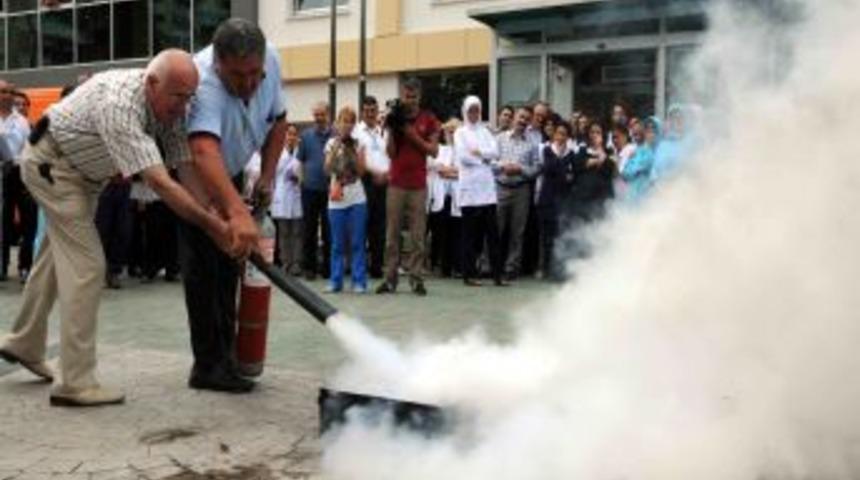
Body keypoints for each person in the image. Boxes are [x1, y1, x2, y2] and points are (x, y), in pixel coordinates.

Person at [0, 50, 236, 407]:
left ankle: (24, 341)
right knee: (88, 266)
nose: (184, 106)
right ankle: (75, 382)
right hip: (54, 167)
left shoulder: (170, 105)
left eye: (190, 97)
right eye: (178, 97)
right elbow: (161, 182)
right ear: (152, 83)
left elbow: (183, 166)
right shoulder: (120, 103)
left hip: (83, 176)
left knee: (53, 258)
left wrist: (214, 211)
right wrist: (212, 225)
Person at [181, 18, 287, 394]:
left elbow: (278, 120)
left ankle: (228, 356)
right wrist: (237, 213)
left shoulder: (271, 61)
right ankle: (208, 365)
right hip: (194, 172)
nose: (248, 84)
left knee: (230, 264)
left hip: (235, 168)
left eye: (254, 74)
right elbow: (202, 150)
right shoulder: (201, 81)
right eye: (237, 76)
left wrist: (268, 175)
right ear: (219, 64)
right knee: (204, 267)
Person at [376, 78, 439, 296]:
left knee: (418, 236)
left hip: (418, 185)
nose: (409, 100)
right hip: (396, 184)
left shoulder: (429, 118)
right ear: (401, 95)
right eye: (406, 96)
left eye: (413, 96)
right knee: (391, 234)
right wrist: (394, 130)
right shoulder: (395, 118)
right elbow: (391, 153)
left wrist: (412, 135)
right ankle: (390, 279)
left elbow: (434, 151)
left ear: (419, 96)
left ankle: (416, 279)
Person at [455, 96, 506, 287]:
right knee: (469, 235)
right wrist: (484, 159)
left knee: (492, 233)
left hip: (487, 189)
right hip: (469, 190)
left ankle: (497, 275)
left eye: (477, 110)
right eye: (471, 110)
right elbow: (463, 157)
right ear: (465, 112)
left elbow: (495, 152)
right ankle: (469, 274)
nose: (474, 114)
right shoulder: (460, 132)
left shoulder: (485, 131)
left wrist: (480, 154)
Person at [324, 106, 368, 294]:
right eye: (344, 120)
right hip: (336, 200)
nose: (347, 125)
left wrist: (351, 149)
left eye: (351, 121)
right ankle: (336, 281)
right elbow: (327, 169)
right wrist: (338, 147)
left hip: (357, 199)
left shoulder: (359, 143)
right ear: (337, 123)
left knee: (358, 242)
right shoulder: (330, 143)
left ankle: (359, 282)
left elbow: (361, 171)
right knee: (337, 244)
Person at [495, 106, 540, 281]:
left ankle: (511, 267)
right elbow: (490, 161)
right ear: (513, 118)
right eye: (521, 117)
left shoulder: (532, 144)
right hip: (500, 187)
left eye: (526, 119)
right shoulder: (499, 139)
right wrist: (503, 167)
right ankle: (490, 264)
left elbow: (536, 168)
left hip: (521, 190)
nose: (522, 121)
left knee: (517, 232)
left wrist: (520, 169)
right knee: (495, 229)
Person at [0, 79, 33, 282]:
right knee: (2, 223)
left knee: (28, 223)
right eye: (3, 91)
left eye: (10, 92)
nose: (8, 95)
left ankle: (25, 266)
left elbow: (29, 151)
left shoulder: (21, 121)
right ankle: (2, 267)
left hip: (19, 174)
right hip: (0, 175)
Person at [353, 96, 388, 279]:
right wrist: (373, 173)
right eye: (367, 110)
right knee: (362, 225)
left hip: (384, 183)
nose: (370, 114)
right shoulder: (357, 132)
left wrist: (386, 174)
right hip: (365, 181)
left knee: (380, 227)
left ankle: (377, 266)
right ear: (362, 111)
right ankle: (360, 267)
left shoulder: (383, 131)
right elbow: (356, 159)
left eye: (373, 110)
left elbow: (390, 155)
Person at [297, 102, 333, 281]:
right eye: (316, 115)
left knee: (329, 231)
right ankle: (309, 268)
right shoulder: (305, 136)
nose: (319, 118)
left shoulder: (335, 135)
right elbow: (301, 162)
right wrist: (302, 182)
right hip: (309, 190)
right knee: (308, 230)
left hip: (330, 191)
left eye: (322, 114)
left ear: (328, 115)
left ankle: (328, 269)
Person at [536, 122, 576, 282]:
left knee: (560, 236)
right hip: (546, 199)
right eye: (559, 133)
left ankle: (557, 270)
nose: (561, 137)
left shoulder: (571, 154)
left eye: (564, 134)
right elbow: (548, 169)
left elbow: (571, 178)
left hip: (563, 200)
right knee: (546, 237)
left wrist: (563, 172)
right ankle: (544, 268)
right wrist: (563, 170)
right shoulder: (546, 150)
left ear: (568, 137)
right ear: (554, 135)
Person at [427, 118, 462, 278]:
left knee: (457, 233)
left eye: (455, 131)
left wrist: (451, 171)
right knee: (440, 232)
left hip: (458, 197)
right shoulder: (440, 149)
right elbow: (437, 168)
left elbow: (464, 171)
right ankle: (439, 265)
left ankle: (455, 266)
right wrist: (453, 171)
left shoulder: (463, 151)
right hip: (440, 196)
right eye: (449, 131)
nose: (452, 134)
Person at [272, 124, 303, 276]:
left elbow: (303, 169)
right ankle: (285, 263)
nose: (291, 137)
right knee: (283, 232)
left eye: (294, 134)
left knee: (297, 232)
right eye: (288, 134)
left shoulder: (300, 152)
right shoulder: (278, 152)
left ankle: (296, 263)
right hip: (282, 195)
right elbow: (275, 169)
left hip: (297, 195)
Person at [621, 116, 661, 204]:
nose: (650, 133)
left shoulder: (662, 150)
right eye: (647, 129)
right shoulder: (638, 150)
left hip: (653, 197)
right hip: (635, 196)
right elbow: (625, 173)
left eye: (653, 129)